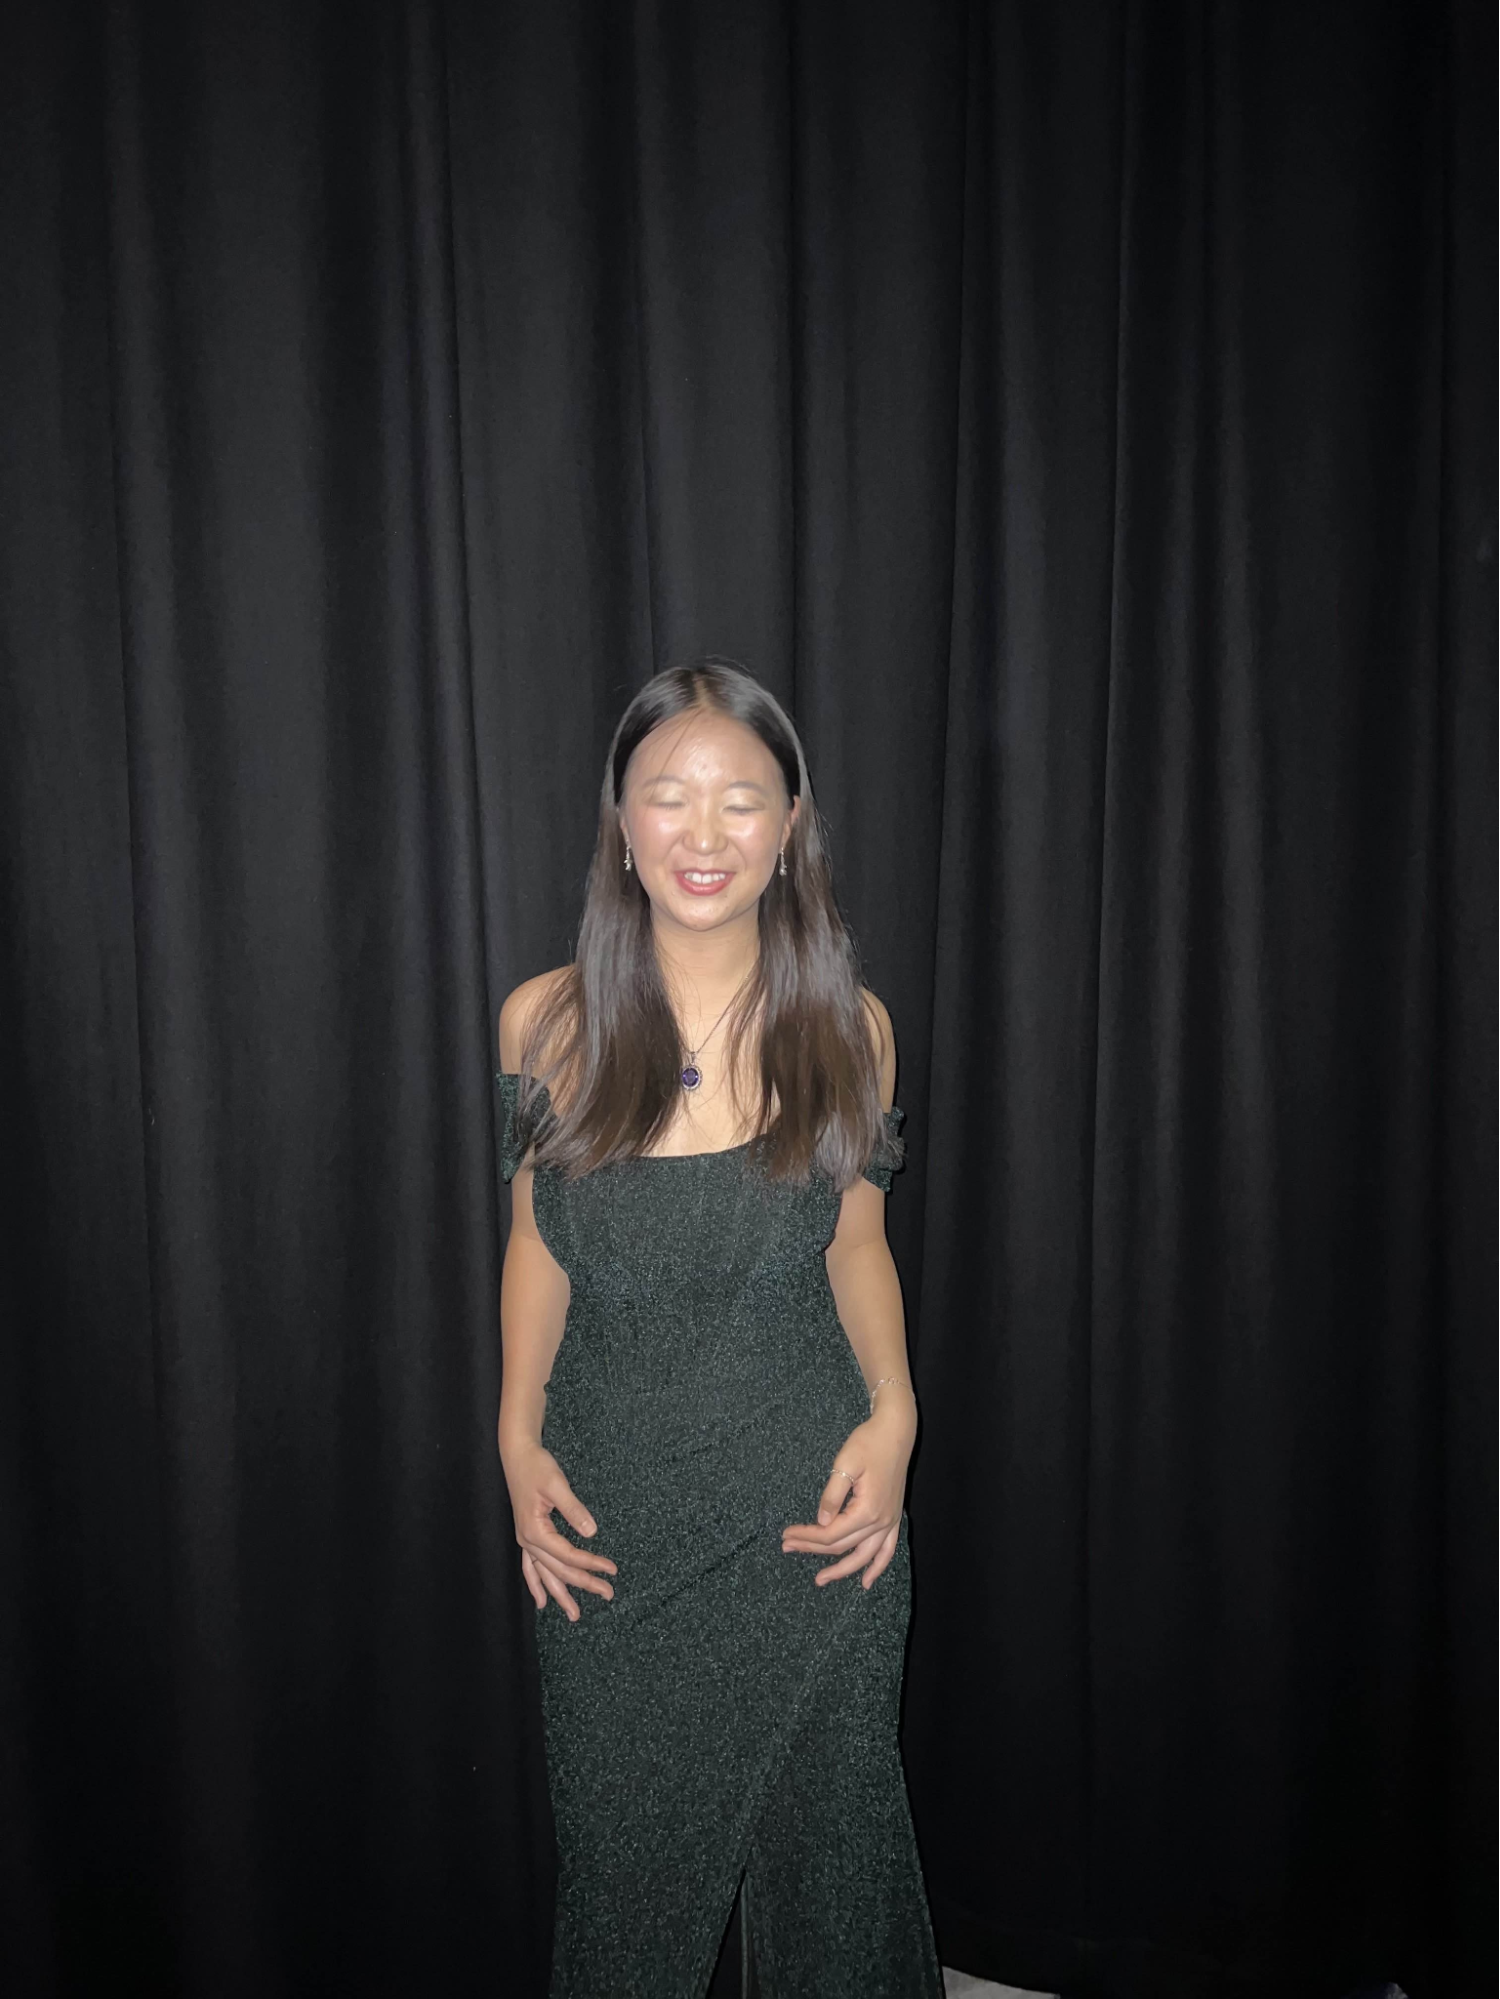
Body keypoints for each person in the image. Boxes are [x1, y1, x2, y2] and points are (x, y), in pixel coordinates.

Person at [494, 658, 942, 1997]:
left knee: (834, 1876)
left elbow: (858, 1245)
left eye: (741, 799)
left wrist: (897, 1414)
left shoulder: (850, 1029)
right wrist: (514, 1435)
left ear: (790, 823)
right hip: (612, 1526)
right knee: (624, 1890)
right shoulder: (544, 1024)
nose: (705, 833)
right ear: (621, 822)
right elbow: (536, 1242)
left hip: (819, 1516)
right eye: (669, 795)